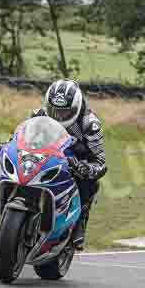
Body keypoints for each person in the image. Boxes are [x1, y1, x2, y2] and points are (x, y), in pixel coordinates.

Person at [32, 79, 106, 251]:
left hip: (75, 163)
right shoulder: (39, 114)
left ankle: (80, 222)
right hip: (45, 156)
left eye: (64, 113)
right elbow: (23, 137)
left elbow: (100, 162)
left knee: (90, 182)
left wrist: (85, 168)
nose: (58, 117)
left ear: (76, 108)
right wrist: (7, 145)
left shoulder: (89, 123)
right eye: (54, 111)